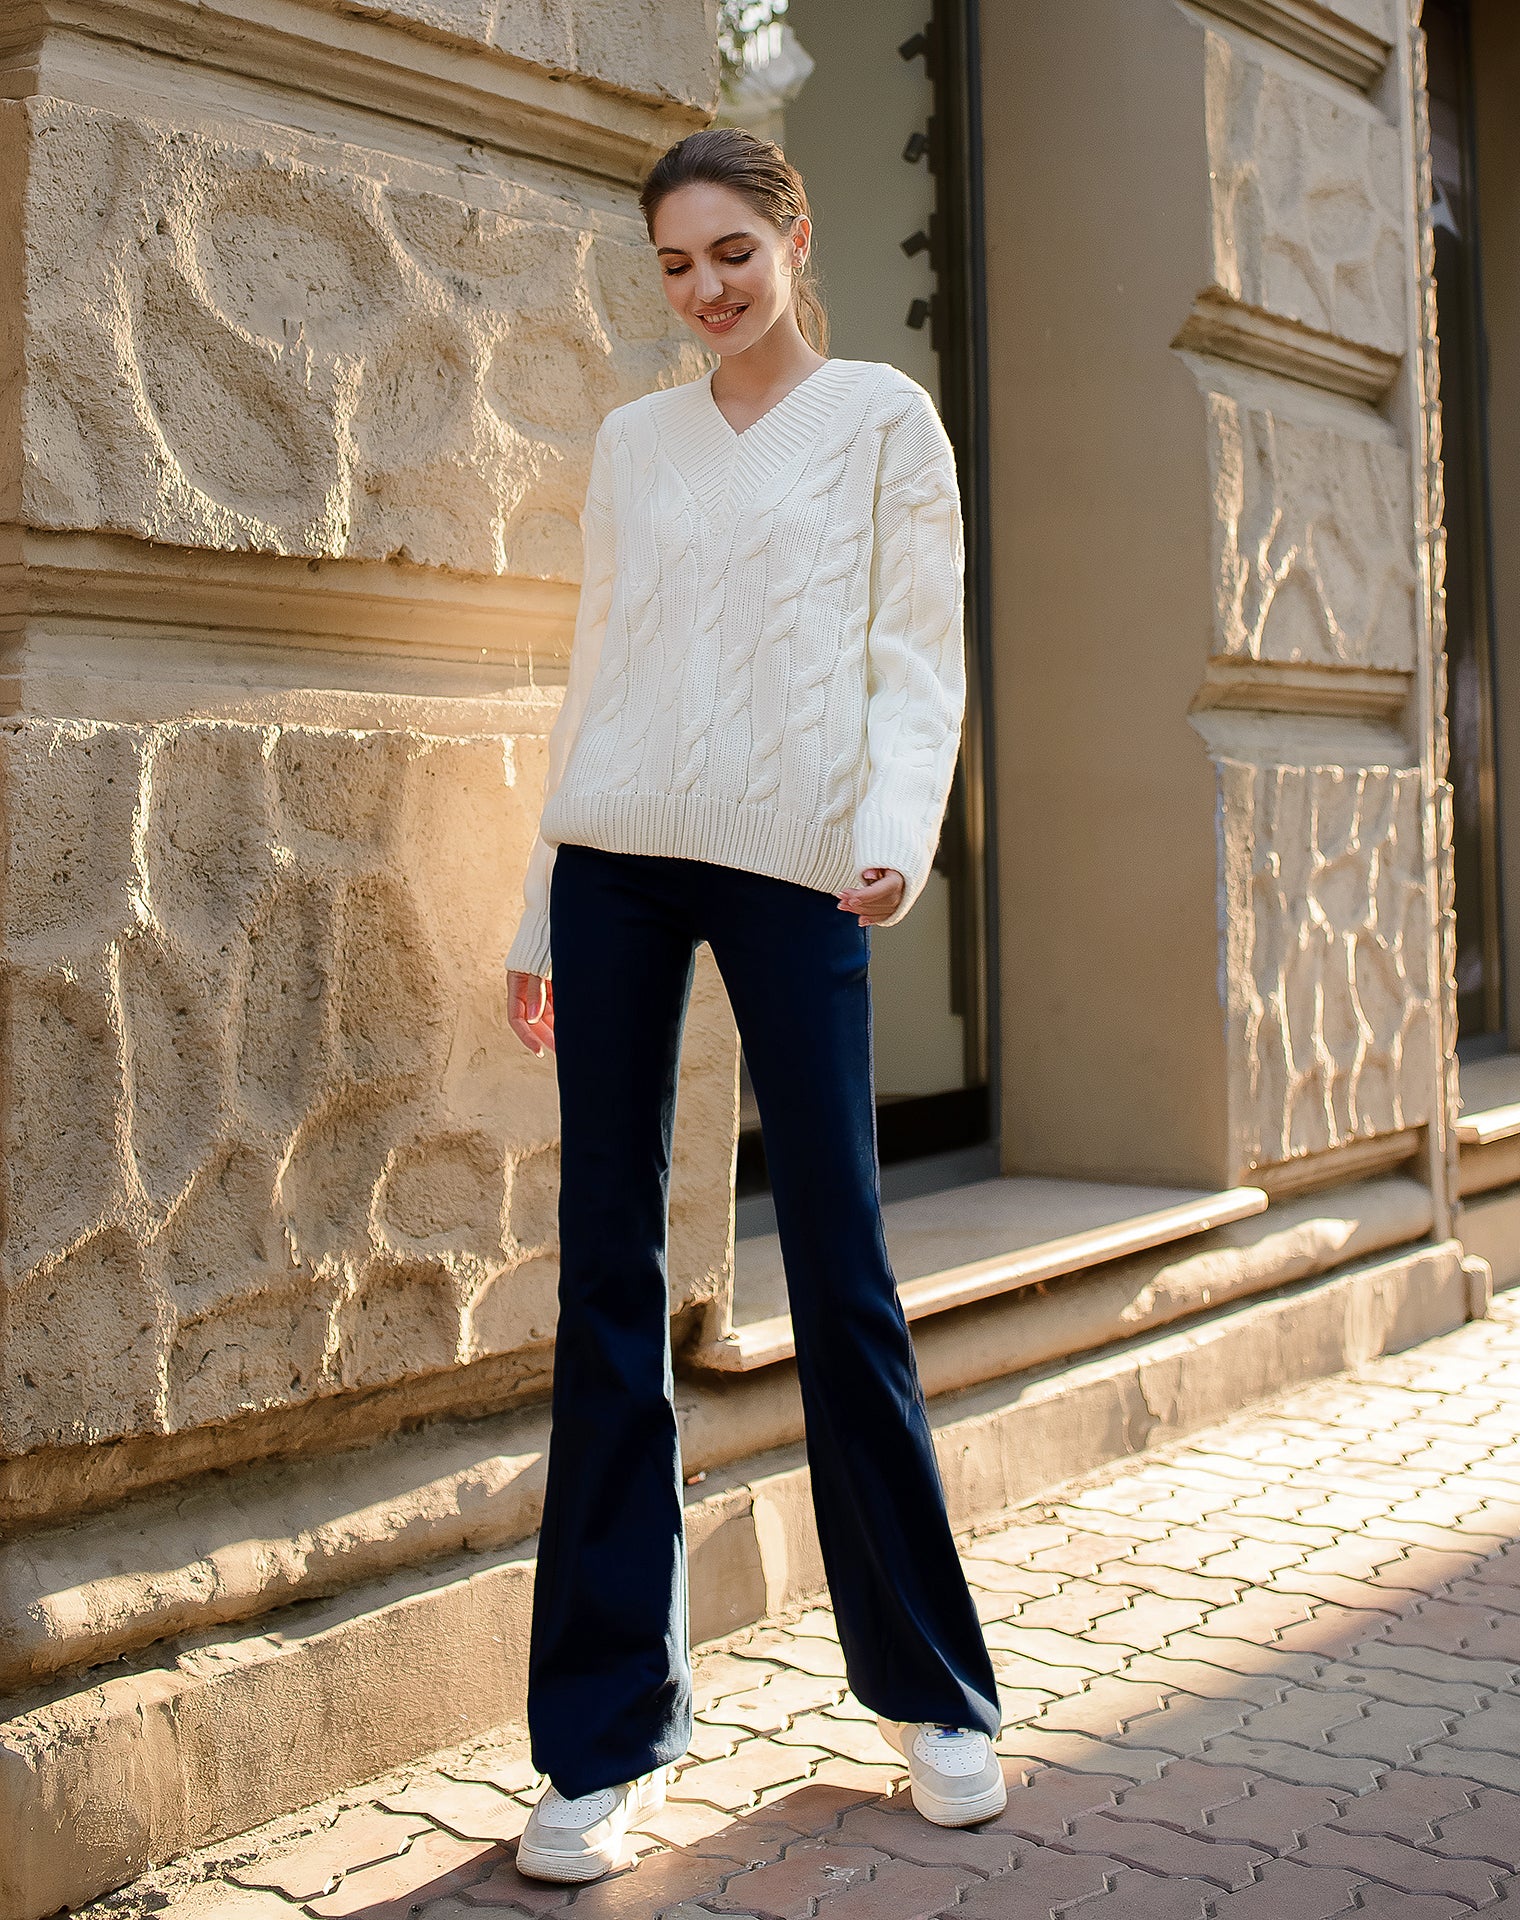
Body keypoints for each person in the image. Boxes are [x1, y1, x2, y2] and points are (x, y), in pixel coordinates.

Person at [503, 124, 1003, 1886]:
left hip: (800, 870)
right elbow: (600, 669)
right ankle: (603, 1738)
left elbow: (916, 654)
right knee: (607, 1276)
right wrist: (536, 905)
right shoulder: (633, 443)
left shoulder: (883, 420)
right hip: (615, 866)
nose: (705, 289)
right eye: (674, 265)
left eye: (731, 251)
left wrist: (893, 834)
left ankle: (934, 1695)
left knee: (844, 1264)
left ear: (794, 234)